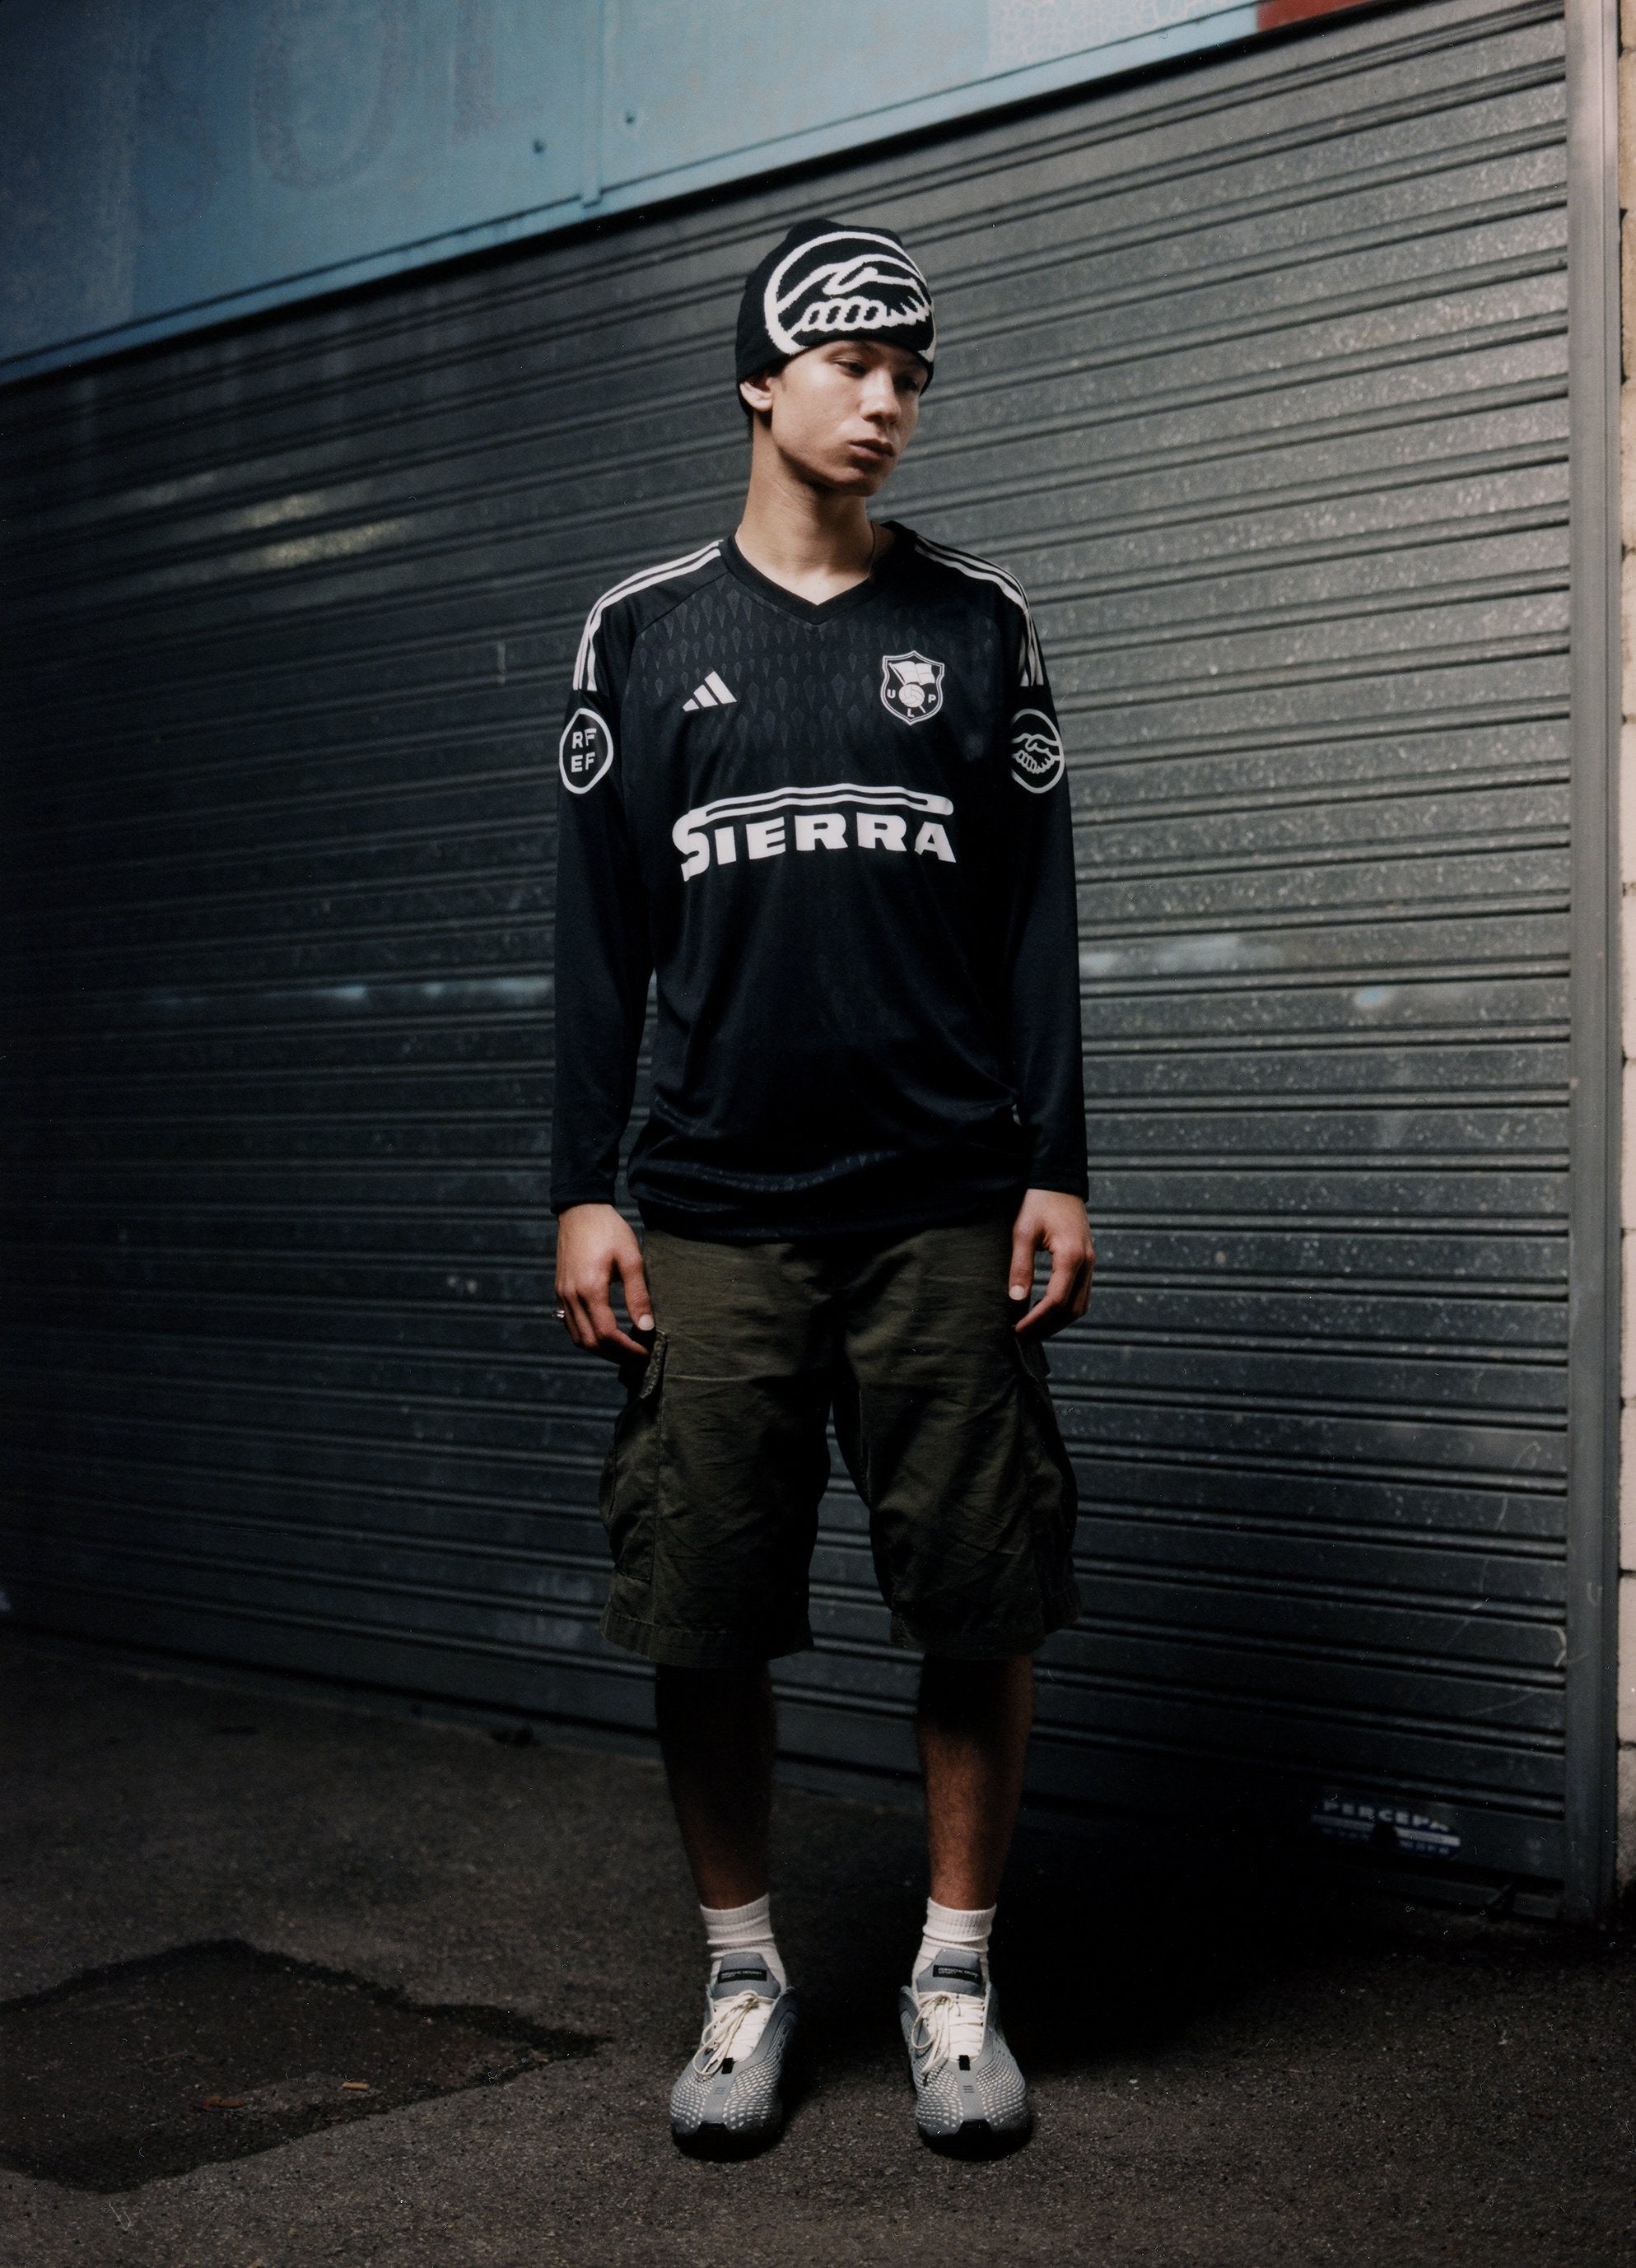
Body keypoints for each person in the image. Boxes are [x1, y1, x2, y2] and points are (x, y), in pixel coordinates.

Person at [550, 217, 1093, 2159]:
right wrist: (583, 1186)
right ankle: (744, 1978)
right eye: (852, 364)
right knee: (703, 1605)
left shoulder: (978, 627)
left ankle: (954, 1976)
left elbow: (1034, 924)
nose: (887, 401)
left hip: (943, 1196)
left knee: (978, 1590)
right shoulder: (640, 635)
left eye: (911, 374)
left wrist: (1054, 1164)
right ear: (759, 381)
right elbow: (596, 940)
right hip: (708, 1206)